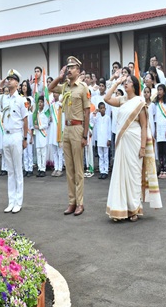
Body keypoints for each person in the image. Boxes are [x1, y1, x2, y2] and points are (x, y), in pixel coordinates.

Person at [103, 70, 152, 222]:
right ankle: (120, 209)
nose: (126, 83)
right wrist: (116, 82)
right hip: (122, 142)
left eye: (129, 81)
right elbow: (106, 98)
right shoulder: (122, 100)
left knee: (134, 175)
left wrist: (143, 147)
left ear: (135, 86)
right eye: (125, 82)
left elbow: (144, 126)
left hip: (135, 142)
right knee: (120, 175)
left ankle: (135, 209)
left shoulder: (140, 102)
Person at [50, 56, 91, 216]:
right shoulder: (65, 86)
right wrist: (59, 78)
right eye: (68, 67)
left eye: (72, 67)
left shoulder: (82, 88)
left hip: (77, 128)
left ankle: (80, 203)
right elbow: (51, 88)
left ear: (78, 71)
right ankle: (71, 202)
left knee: (79, 169)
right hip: (66, 129)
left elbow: (87, 112)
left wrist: (85, 135)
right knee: (69, 169)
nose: (69, 70)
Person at [0, 71, 29, 214]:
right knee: (10, 171)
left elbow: (25, 120)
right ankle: (11, 201)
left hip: (16, 135)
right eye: (8, 79)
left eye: (12, 79)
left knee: (18, 170)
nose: (9, 81)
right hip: (6, 136)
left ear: (17, 84)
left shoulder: (21, 100)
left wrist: (25, 138)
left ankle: (18, 201)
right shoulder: (4, 98)